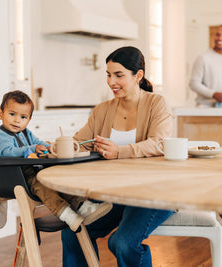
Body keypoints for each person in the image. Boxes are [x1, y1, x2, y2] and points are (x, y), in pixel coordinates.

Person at [61, 46, 174, 267]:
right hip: (114, 193)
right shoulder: (102, 109)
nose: (111, 81)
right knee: (72, 232)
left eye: (119, 75)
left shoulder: (156, 103)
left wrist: (119, 151)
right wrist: (55, 146)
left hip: (152, 193)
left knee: (122, 243)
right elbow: (78, 142)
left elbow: (159, 144)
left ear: (138, 76)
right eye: (108, 74)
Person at [0, 90, 112, 232]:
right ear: (0, 113)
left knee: (55, 181)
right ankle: (67, 215)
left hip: (30, 172)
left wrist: (53, 147)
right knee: (42, 186)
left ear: (29, 120)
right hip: (13, 177)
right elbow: (5, 153)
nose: (17, 120)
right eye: (12, 114)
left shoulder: (25, 133)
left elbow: (39, 142)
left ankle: (83, 207)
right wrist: (31, 149)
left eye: (23, 117)